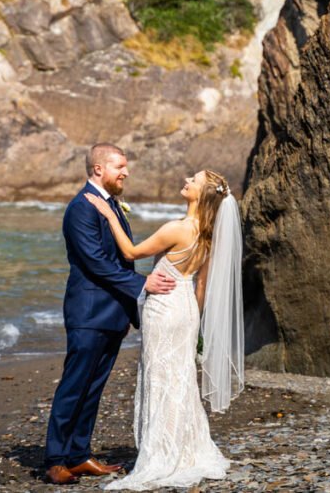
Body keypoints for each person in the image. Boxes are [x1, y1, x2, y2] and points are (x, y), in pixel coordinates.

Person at [85, 169, 244, 491]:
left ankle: (162, 452)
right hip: (186, 309)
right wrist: (195, 321)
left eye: (194, 180)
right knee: (180, 377)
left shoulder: (178, 229)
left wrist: (108, 215)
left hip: (165, 308)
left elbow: (131, 252)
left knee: (160, 377)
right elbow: (201, 284)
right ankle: (184, 447)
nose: (186, 180)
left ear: (201, 195)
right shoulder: (209, 234)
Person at [44, 143, 177, 485]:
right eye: (120, 166)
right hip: (88, 313)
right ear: (99, 169)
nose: (126, 172)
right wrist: (142, 284)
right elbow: (95, 262)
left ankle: (79, 455)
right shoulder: (81, 208)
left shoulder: (109, 205)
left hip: (113, 313)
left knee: (94, 388)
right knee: (74, 386)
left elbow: (119, 255)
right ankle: (56, 459)